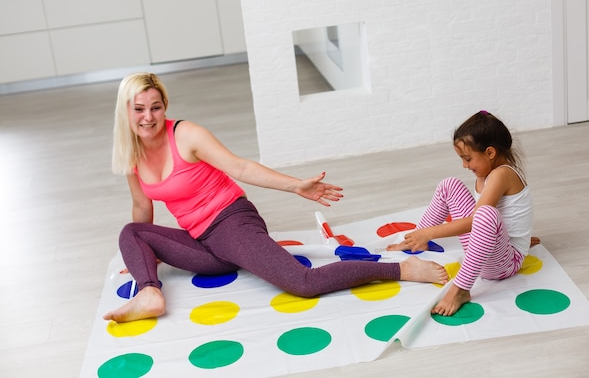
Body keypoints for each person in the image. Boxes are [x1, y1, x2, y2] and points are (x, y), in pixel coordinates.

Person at [103, 72, 449, 323]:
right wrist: (144, 253)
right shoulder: (130, 155)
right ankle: (150, 292)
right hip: (204, 244)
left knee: (302, 283)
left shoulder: (186, 135)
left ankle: (402, 269)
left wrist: (296, 185)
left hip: (231, 223)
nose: (148, 117)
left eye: (156, 107)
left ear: (165, 107)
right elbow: (141, 208)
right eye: (139, 109)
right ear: (126, 111)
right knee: (129, 234)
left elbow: (240, 167)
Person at [387, 110, 539, 316]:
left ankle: (460, 289)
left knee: (485, 215)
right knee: (449, 185)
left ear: (490, 153)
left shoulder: (502, 174)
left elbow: (478, 220)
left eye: (468, 158)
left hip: (504, 266)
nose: (464, 165)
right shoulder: (486, 171)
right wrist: (425, 233)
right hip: (487, 249)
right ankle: (416, 239)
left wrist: (432, 233)